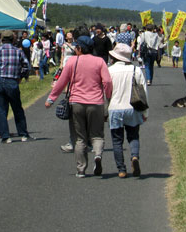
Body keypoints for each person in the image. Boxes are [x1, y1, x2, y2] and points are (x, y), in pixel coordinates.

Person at [46, 34, 113, 178]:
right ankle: (98, 156)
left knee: (79, 137)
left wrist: (51, 99)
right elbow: (107, 81)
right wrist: (108, 96)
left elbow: (62, 82)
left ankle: (81, 169)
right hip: (96, 102)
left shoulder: (72, 62)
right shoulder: (100, 61)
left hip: (76, 102)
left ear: (79, 48)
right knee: (97, 134)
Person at [0, 30, 34, 143]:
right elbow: (26, 65)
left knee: (0, 109)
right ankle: (23, 134)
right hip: (12, 81)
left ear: (1, 39)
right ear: (13, 39)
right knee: (17, 108)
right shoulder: (18, 51)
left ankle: (5, 136)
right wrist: (21, 76)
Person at [107, 43, 148, 177]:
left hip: (115, 107)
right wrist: (145, 112)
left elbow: (106, 92)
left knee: (117, 140)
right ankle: (134, 156)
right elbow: (143, 91)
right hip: (133, 107)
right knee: (133, 135)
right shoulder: (136, 70)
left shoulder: (110, 70)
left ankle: (121, 169)